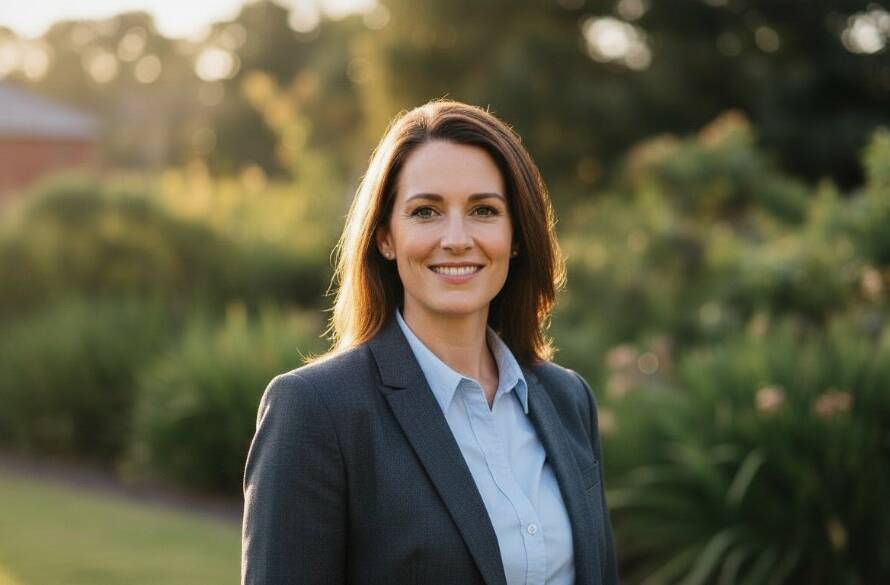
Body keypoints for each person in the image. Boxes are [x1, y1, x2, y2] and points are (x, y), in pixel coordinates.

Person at [241, 100, 619, 585]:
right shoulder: (316, 410)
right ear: (385, 237)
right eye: (426, 212)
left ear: (517, 234)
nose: (457, 238)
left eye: (484, 210)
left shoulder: (568, 400)